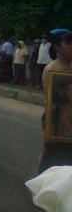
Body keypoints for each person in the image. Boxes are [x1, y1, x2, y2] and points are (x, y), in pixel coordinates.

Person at [38, 29, 72, 173]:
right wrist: (49, 132)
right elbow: (51, 102)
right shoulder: (50, 69)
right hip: (57, 122)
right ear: (57, 46)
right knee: (52, 160)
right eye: (69, 43)